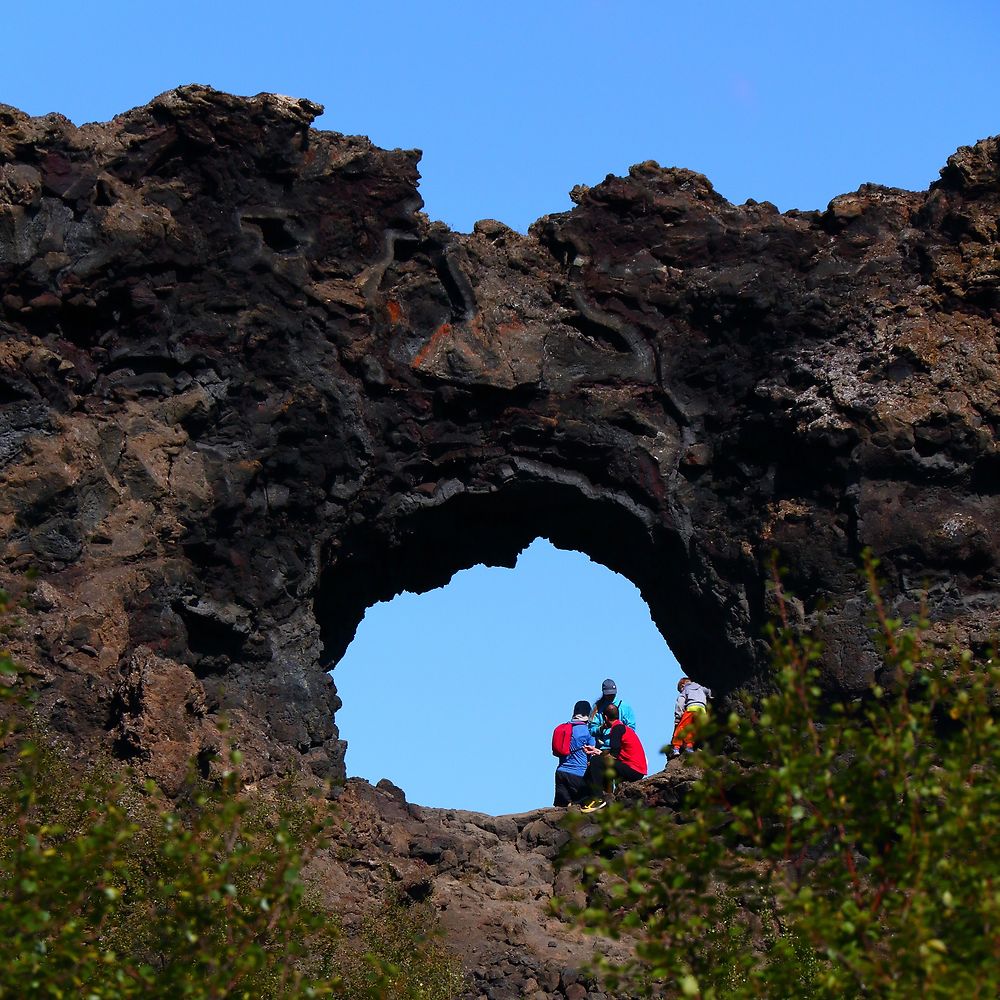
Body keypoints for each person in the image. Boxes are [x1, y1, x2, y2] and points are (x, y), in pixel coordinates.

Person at [580, 703, 647, 811]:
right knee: (598, 760)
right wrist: (597, 751)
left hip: (634, 770)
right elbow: (616, 753)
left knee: (596, 762)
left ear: (605, 717)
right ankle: (587, 797)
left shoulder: (617, 729)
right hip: (636, 769)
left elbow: (614, 755)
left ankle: (598, 799)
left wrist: (599, 757)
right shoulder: (622, 727)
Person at [551, 700, 596, 806]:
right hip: (578, 774)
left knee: (561, 810)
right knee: (582, 808)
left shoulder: (564, 729)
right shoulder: (588, 731)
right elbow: (592, 753)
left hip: (560, 773)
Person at [588, 678, 636, 751]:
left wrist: (620, 731)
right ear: (604, 693)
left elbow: (631, 728)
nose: (611, 696)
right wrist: (601, 728)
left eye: (612, 694)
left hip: (621, 748)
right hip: (603, 748)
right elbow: (591, 730)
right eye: (608, 694)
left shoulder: (625, 707)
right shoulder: (597, 708)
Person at [670, 677, 712, 755]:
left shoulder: (686, 689)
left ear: (683, 685)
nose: (681, 691)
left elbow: (680, 703)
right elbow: (710, 692)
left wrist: (678, 717)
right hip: (702, 711)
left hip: (691, 709)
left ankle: (676, 748)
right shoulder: (701, 687)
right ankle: (690, 747)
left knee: (682, 728)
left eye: (680, 689)